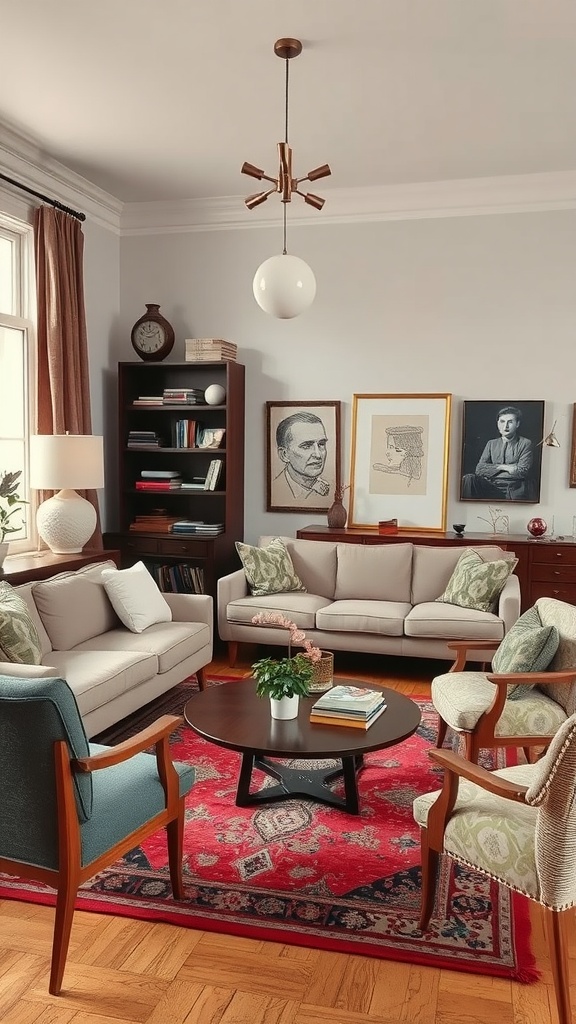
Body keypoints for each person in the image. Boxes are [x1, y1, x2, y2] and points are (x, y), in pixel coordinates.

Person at [461, 405, 535, 500]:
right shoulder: (491, 443)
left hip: (513, 488)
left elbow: (522, 471)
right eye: (502, 421)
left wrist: (492, 469)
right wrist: (503, 467)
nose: (506, 426)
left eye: (510, 422)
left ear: (517, 424)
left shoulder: (525, 443)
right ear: (497, 423)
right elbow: (479, 469)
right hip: (491, 486)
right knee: (469, 478)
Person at [274, 411, 330, 503]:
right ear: (284, 454)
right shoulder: (276, 489)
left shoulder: (328, 491)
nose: (318, 454)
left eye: (321, 444)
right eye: (306, 446)